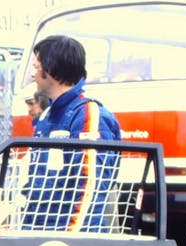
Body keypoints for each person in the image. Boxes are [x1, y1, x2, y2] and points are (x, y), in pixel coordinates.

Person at [25, 35, 122, 233]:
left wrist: (73, 241)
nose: (31, 75)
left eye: (35, 67)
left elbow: (90, 188)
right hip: (39, 233)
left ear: (50, 70)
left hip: (70, 242)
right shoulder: (46, 117)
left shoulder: (87, 114)